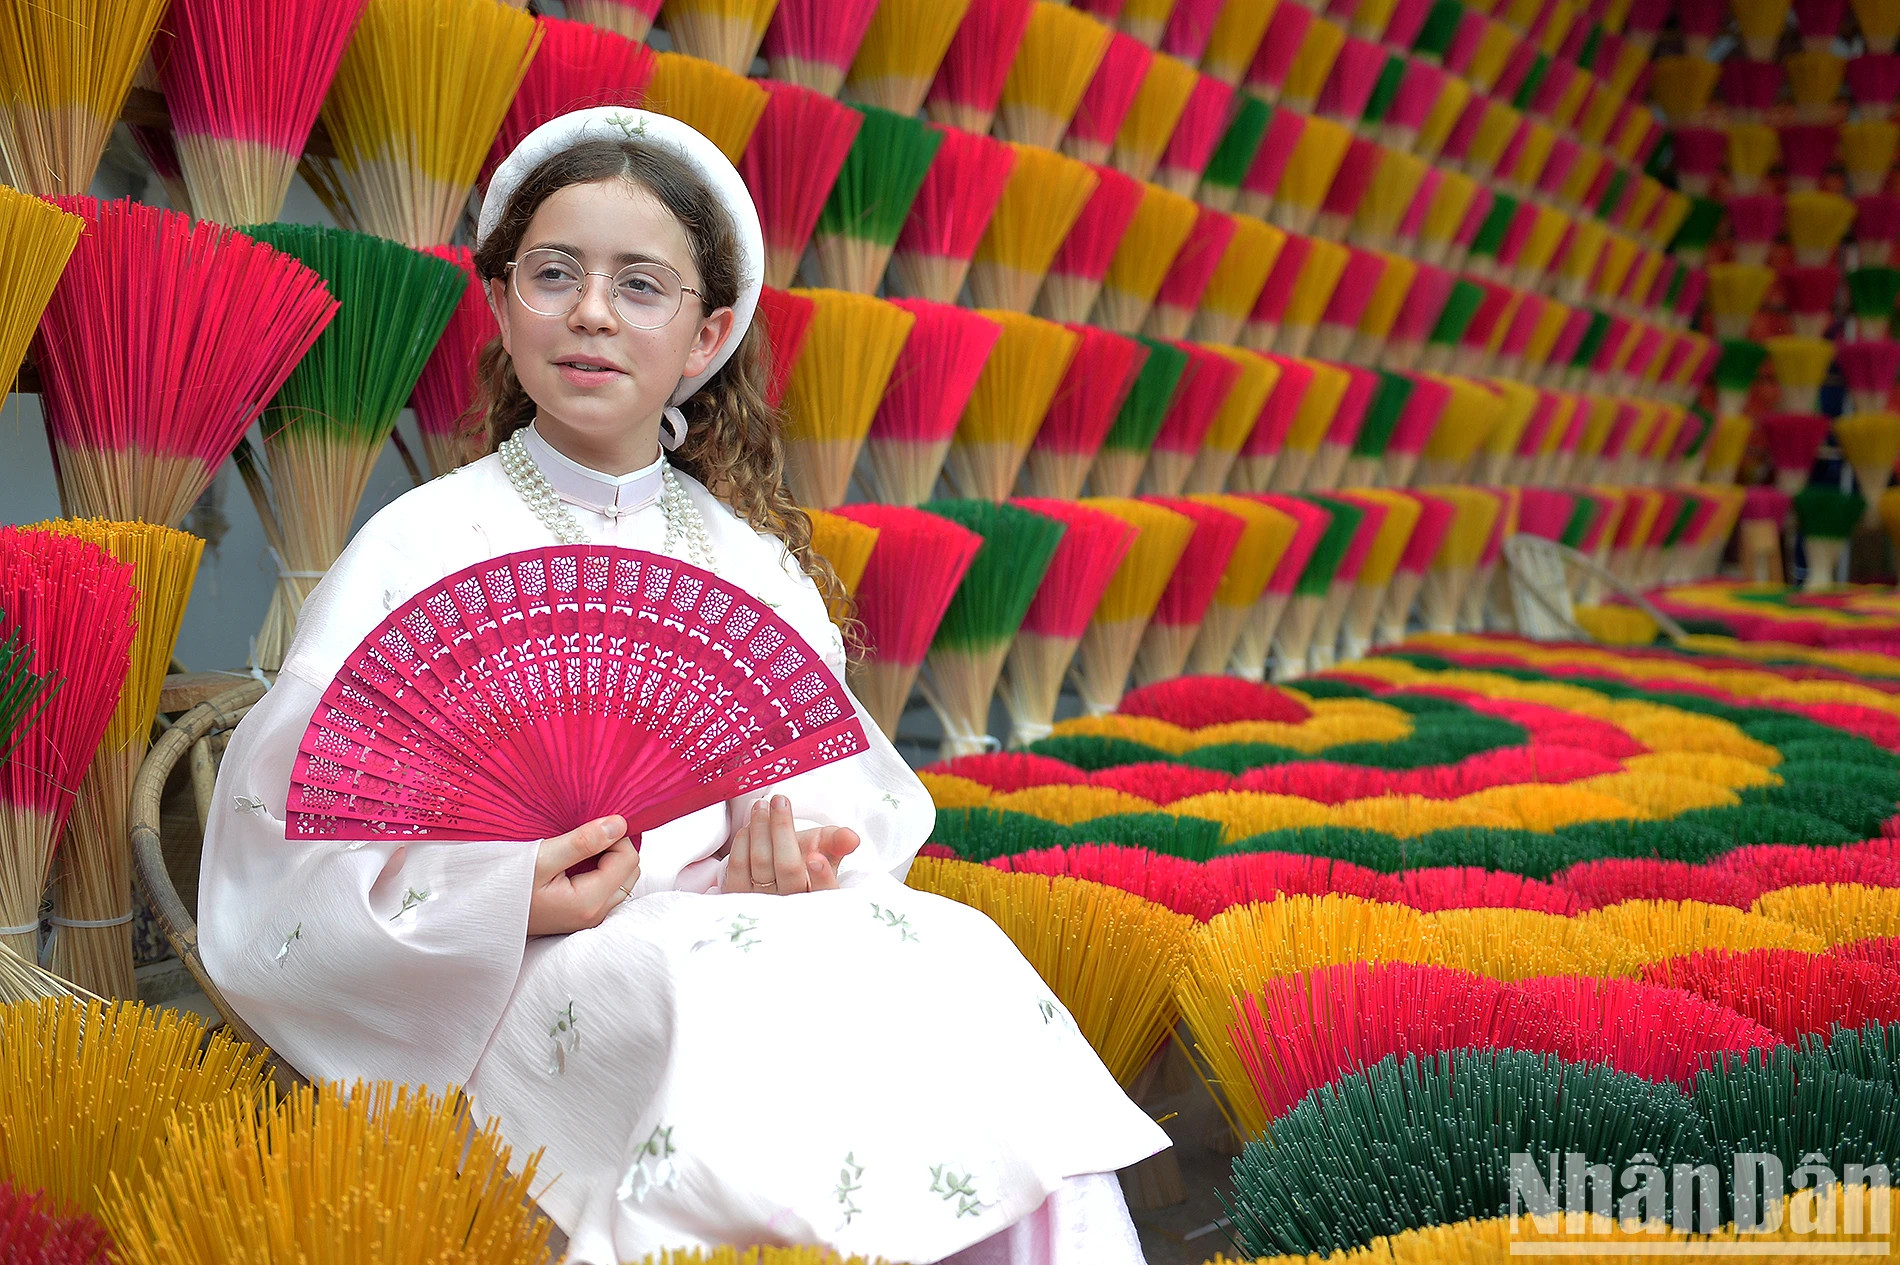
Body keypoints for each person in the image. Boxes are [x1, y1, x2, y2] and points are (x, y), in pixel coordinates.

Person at [198, 107, 1168, 1264]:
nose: (592, 311)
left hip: (742, 933)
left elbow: (842, 808)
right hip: (524, 970)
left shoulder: (751, 566)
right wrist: (509, 895)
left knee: (960, 960)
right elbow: (288, 859)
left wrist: (794, 860)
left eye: (640, 285)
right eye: (553, 273)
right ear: (502, 302)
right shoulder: (419, 551)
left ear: (706, 335)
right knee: (705, 997)